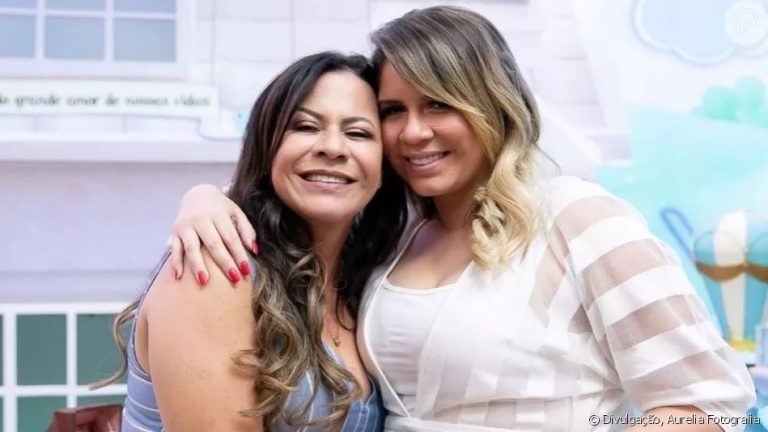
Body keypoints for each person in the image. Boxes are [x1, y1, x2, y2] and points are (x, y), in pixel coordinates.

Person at [164, 6, 756, 432]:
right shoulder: (394, 238)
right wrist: (208, 198)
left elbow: (709, 405)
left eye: (439, 104)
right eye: (392, 111)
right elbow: (296, 182)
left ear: (491, 105)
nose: (414, 132)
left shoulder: (579, 218)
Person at [93, 51, 410, 432]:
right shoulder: (216, 264)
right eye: (305, 126)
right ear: (266, 145)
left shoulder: (367, 277)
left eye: (358, 133)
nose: (332, 147)